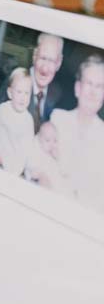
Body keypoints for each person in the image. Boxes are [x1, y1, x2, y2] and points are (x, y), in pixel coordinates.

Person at [48, 55, 104, 212]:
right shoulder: (57, 120)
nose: (93, 92)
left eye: (99, 86)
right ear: (77, 88)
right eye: (89, 83)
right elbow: (42, 168)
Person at [0, 68, 35, 175]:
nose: (23, 97)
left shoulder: (28, 120)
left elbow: (27, 148)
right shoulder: (3, 109)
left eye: (27, 93)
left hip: (15, 166)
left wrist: (18, 169)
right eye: (19, 92)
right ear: (10, 93)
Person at [23, 121, 70, 195]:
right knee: (44, 180)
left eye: (55, 140)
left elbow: (63, 171)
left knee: (67, 185)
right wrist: (39, 174)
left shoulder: (55, 154)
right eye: (47, 140)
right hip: (39, 180)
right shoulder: (35, 150)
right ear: (39, 140)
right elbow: (30, 166)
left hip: (56, 184)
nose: (52, 144)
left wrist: (58, 159)